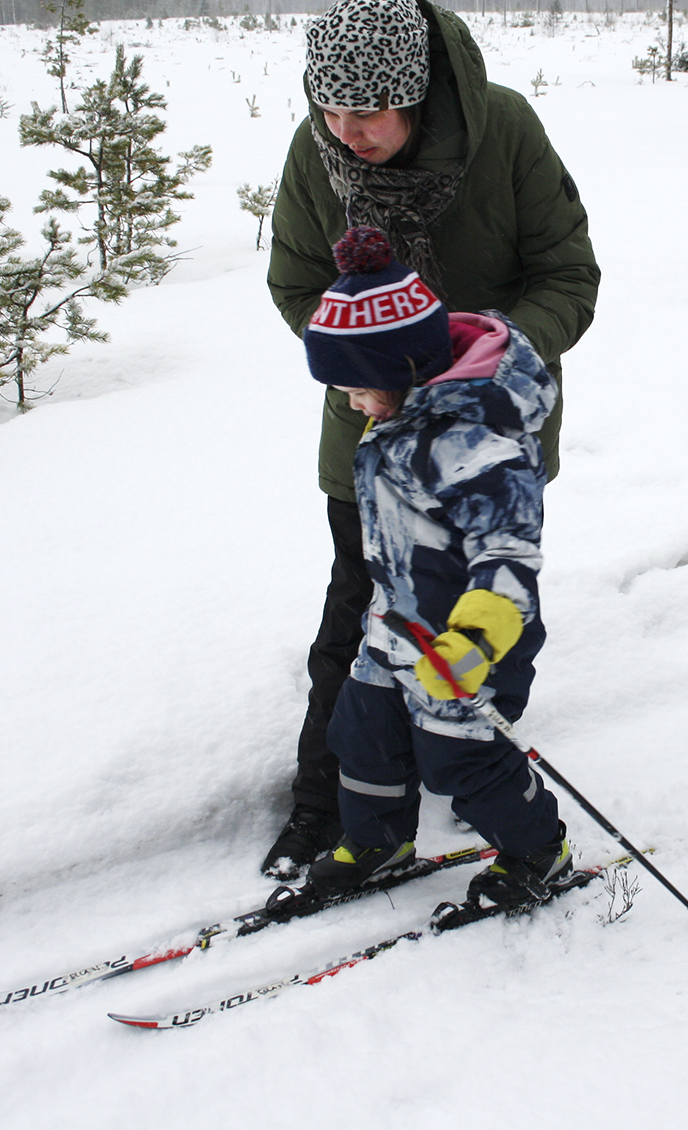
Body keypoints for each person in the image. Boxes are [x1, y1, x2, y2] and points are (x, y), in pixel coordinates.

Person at [264, 0, 598, 875]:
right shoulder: (316, 151)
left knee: (487, 604)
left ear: (413, 92)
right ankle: (328, 808)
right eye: (327, 108)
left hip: (487, 426)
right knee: (358, 621)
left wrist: (477, 368)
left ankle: (473, 749)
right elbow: (298, 286)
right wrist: (365, 366)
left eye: (366, 109)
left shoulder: (506, 131)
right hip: (367, 438)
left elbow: (567, 272)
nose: (346, 130)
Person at [295, 225, 570, 908]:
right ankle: (379, 838)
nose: (352, 403)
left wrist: (474, 641)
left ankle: (539, 849)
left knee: (462, 757)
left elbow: (508, 555)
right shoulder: (401, 418)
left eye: (358, 388)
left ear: (407, 369)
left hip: (475, 642)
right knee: (361, 732)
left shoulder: (477, 443)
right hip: (399, 623)